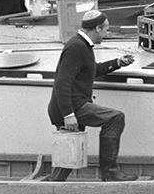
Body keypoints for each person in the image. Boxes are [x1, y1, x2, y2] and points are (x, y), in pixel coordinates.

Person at [46, 10, 138, 182]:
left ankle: (52, 185)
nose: (107, 33)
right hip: (70, 107)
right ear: (97, 28)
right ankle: (110, 172)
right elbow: (62, 83)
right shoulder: (76, 47)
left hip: (72, 105)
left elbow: (90, 70)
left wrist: (118, 63)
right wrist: (69, 115)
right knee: (115, 118)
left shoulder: (82, 45)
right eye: (106, 29)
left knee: (70, 154)